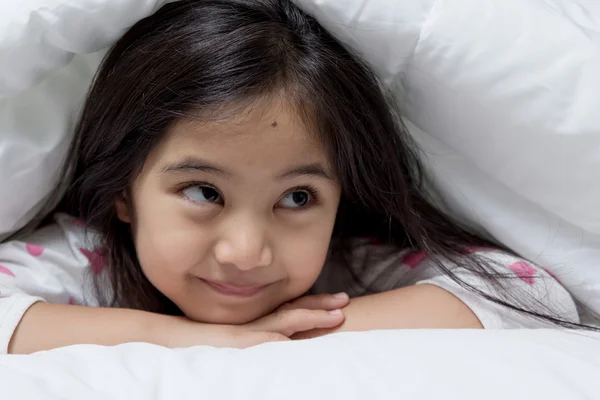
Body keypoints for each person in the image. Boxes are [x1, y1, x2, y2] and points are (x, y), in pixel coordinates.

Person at [0, 0, 583, 355]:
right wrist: (192, 338)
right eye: (204, 192)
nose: (246, 251)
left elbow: (526, 290)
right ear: (126, 190)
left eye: (297, 197)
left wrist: (288, 333)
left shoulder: (345, 268)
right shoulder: (90, 257)